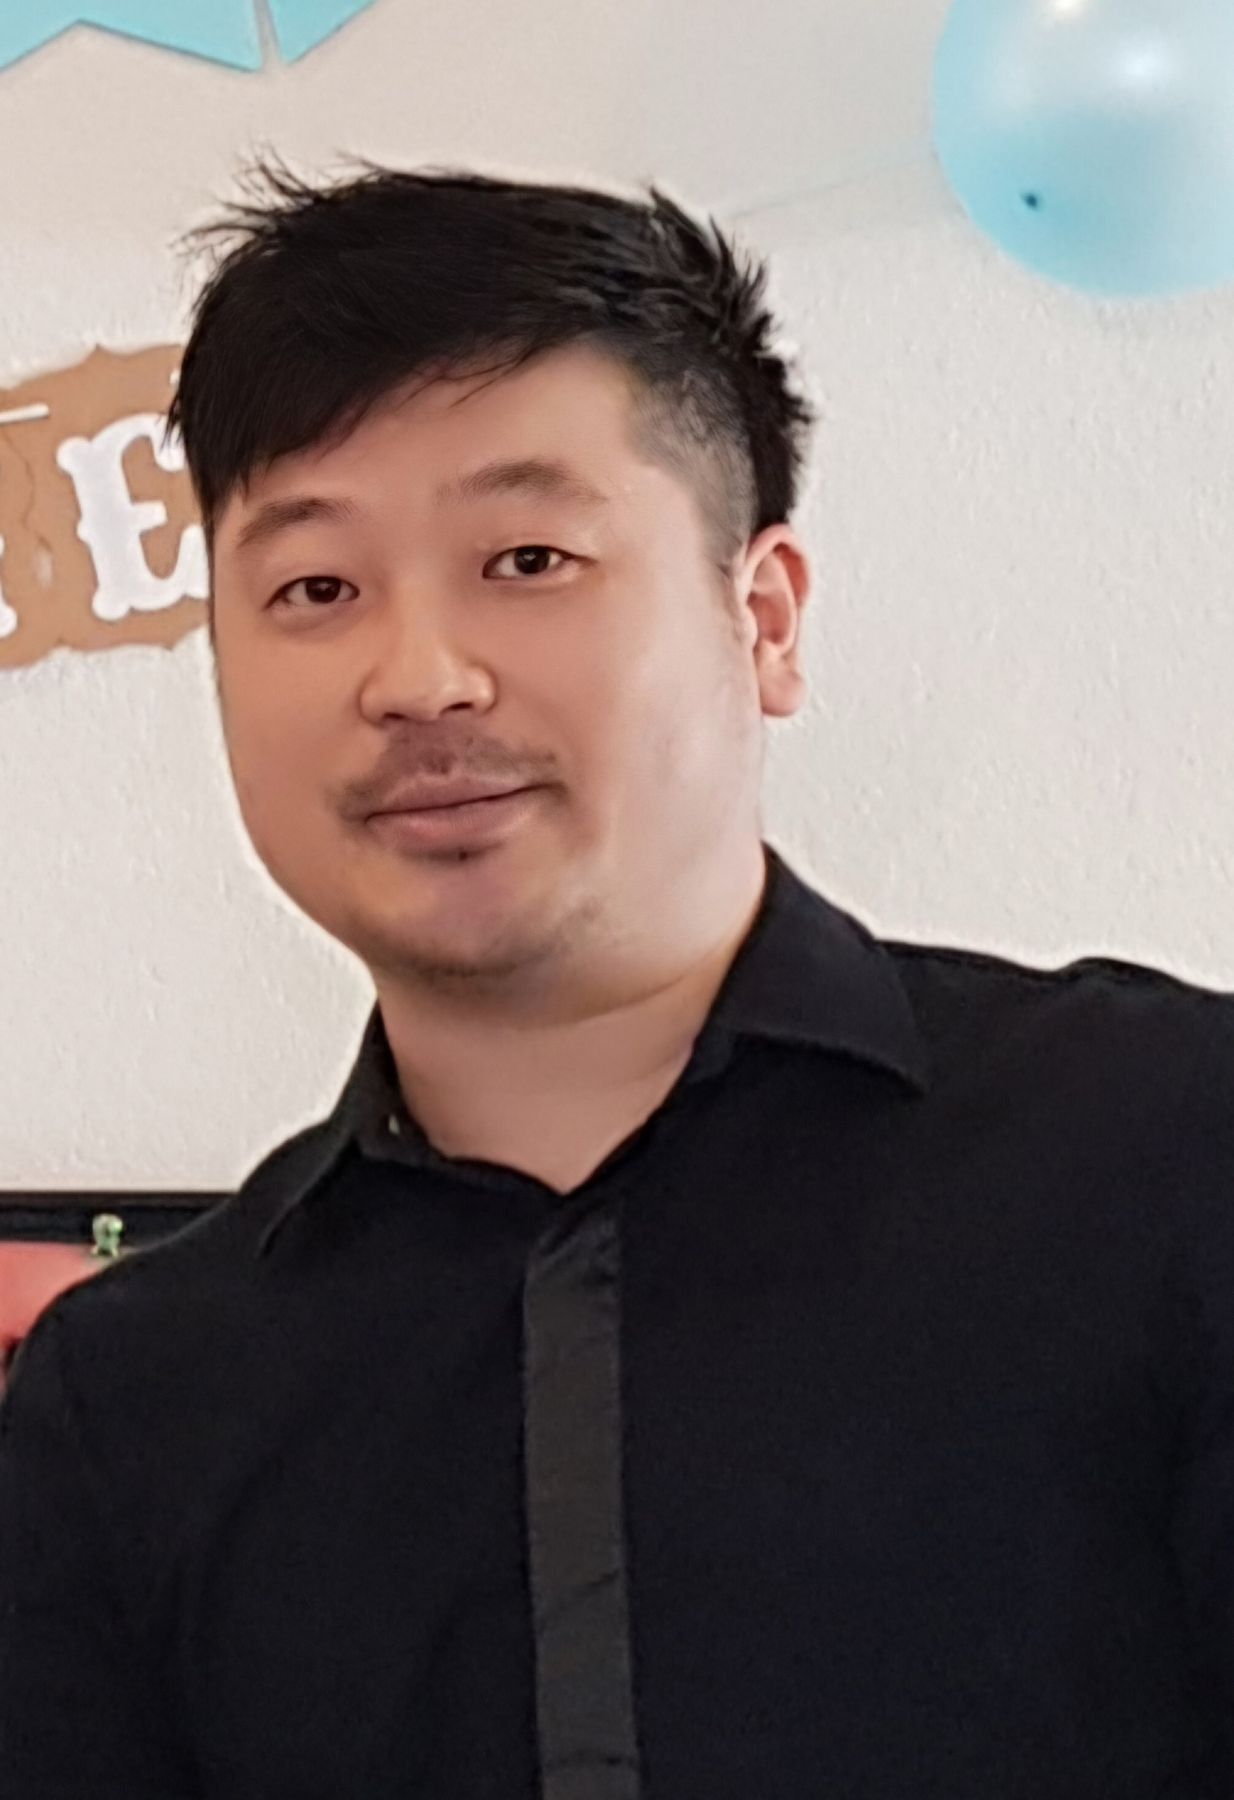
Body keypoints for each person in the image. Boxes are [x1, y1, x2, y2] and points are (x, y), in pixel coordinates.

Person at [2, 153, 1233, 1800]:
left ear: (763, 617)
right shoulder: (126, 1398)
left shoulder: (1167, 1158)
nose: (418, 677)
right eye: (314, 588)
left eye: (527, 560)